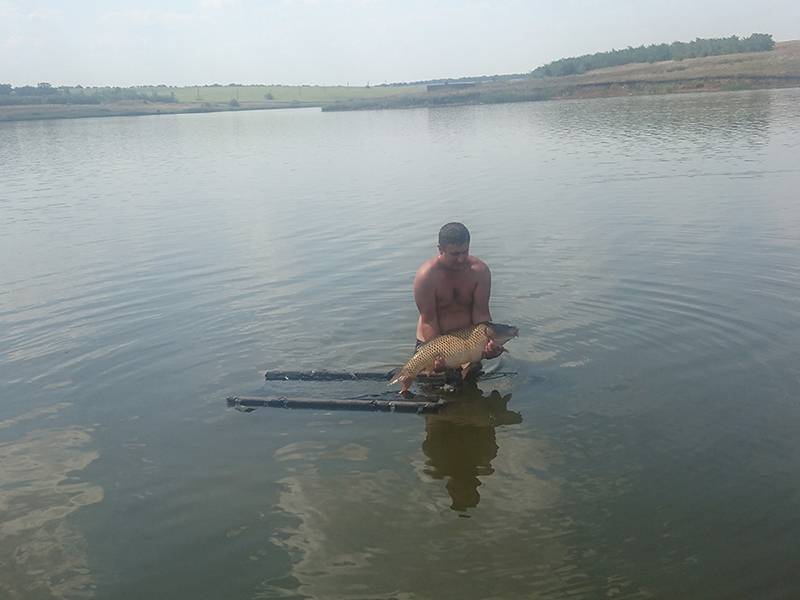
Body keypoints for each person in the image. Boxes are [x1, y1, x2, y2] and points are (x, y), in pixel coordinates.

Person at [413, 222, 505, 371]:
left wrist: (488, 345)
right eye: (455, 254)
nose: (461, 259)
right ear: (440, 250)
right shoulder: (427, 276)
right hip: (433, 344)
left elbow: (481, 316)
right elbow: (428, 321)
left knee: (471, 390)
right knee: (427, 391)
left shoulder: (480, 272)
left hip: (469, 345)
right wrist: (438, 356)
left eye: (465, 252)